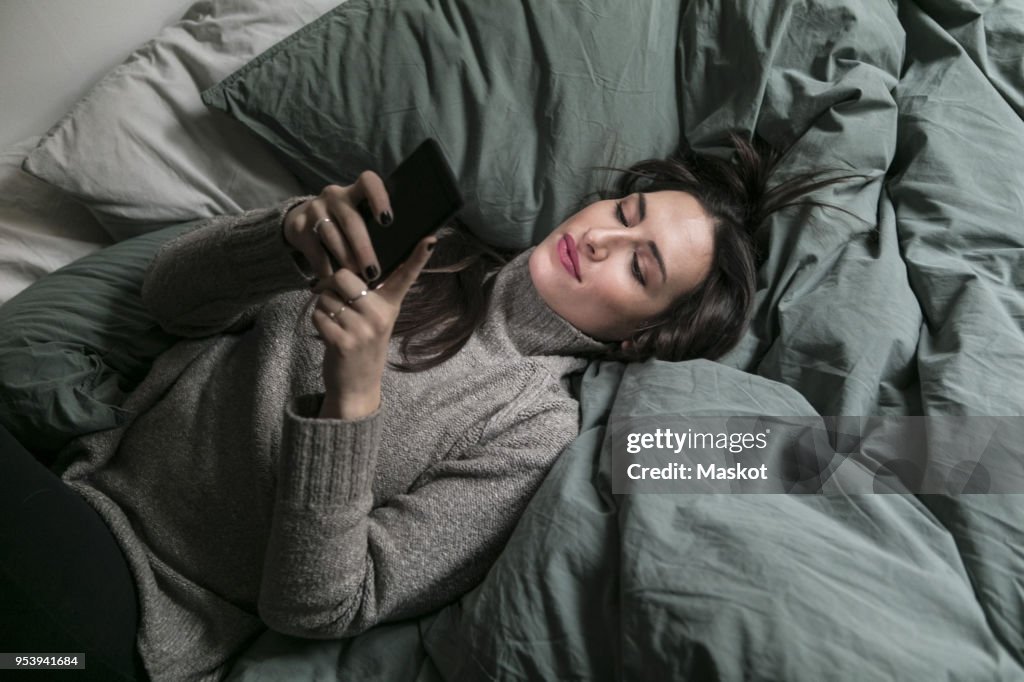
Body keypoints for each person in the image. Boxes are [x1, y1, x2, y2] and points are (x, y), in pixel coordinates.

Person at [0, 134, 855, 681]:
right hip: (76, 496)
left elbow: (323, 607)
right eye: (625, 214)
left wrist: (351, 403)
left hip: (130, 613)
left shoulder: (533, 430)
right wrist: (287, 235)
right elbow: (171, 299)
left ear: (639, 339)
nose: (601, 238)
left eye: (640, 267)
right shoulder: (425, 246)